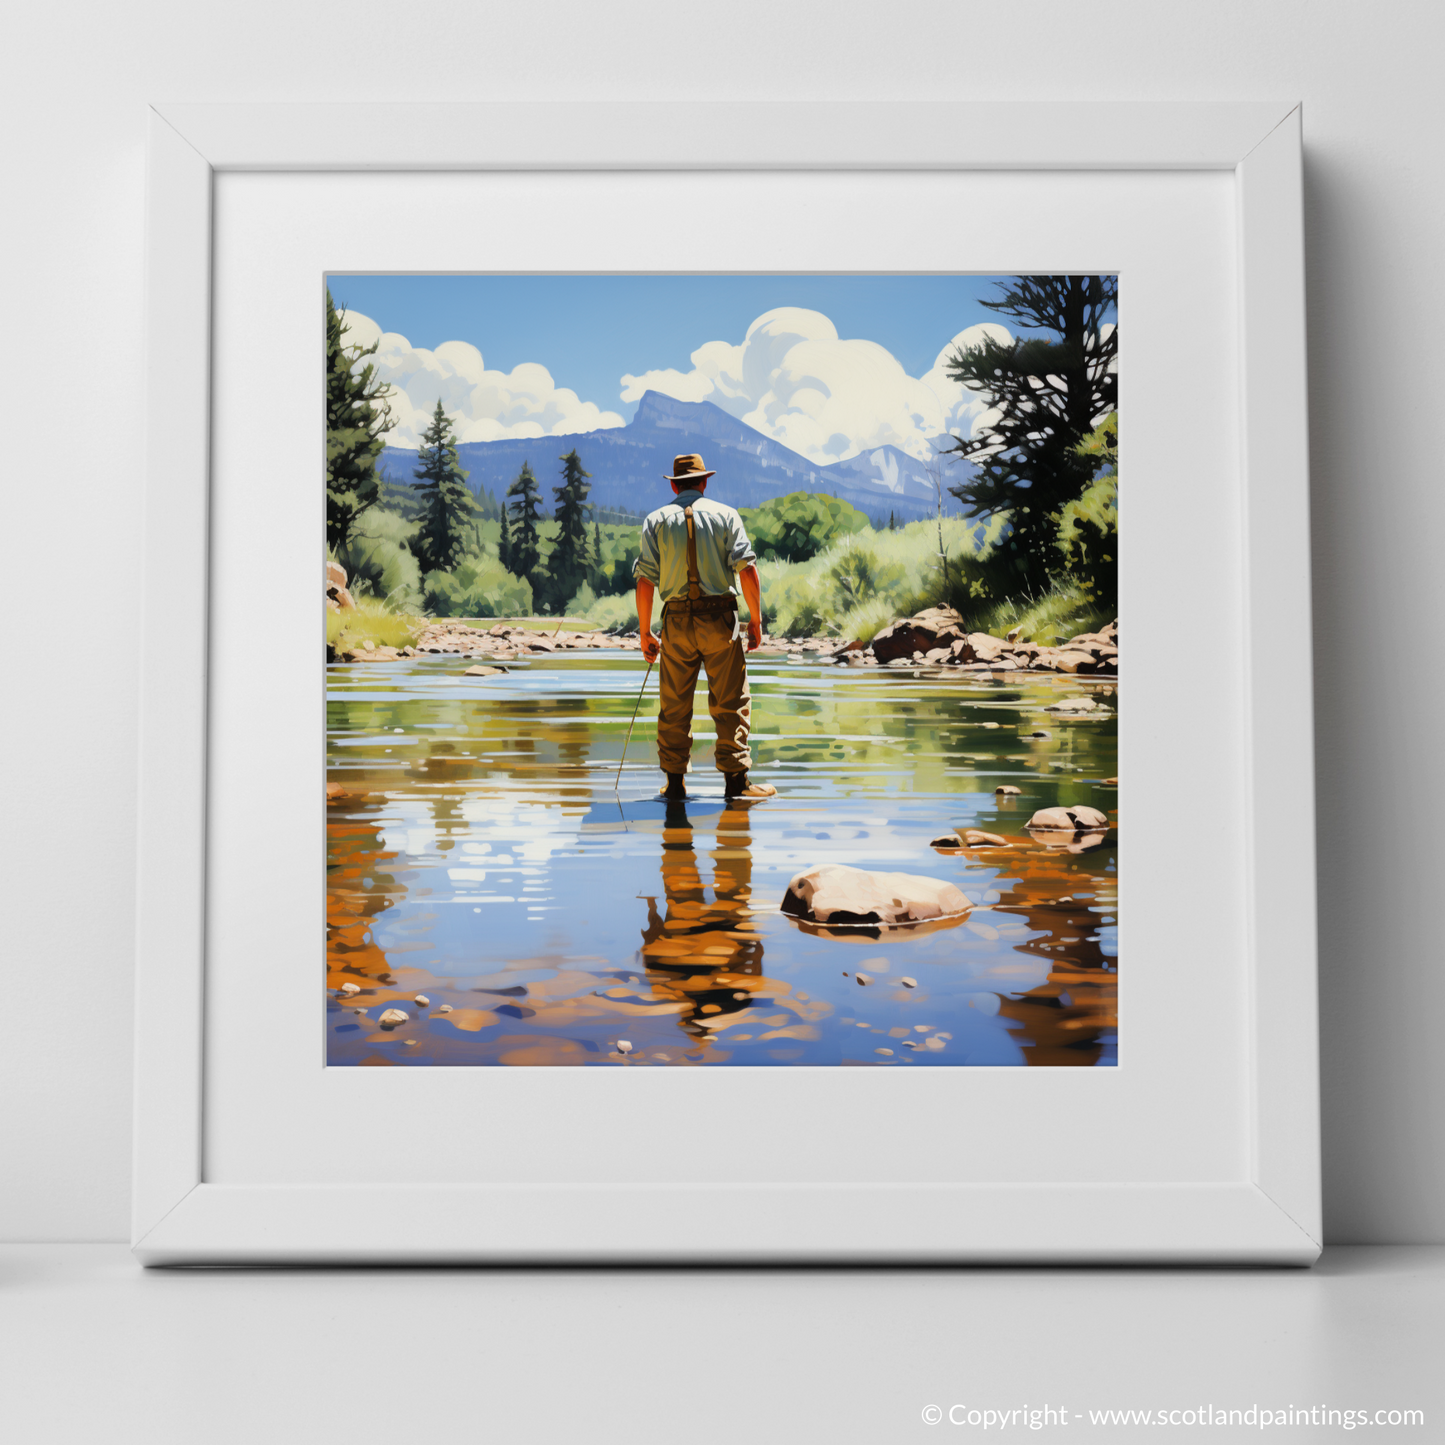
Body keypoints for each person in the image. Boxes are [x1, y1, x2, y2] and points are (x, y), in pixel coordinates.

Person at [633, 453, 777, 802]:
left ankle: (675, 785)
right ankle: (736, 784)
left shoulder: (655, 520)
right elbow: (747, 571)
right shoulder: (726, 515)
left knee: (674, 705)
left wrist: (644, 632)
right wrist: (755, 621)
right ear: (704, 482)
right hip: (719, 619)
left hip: (676, 621)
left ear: (672, 484)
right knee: (731, 702)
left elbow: (644, 581)